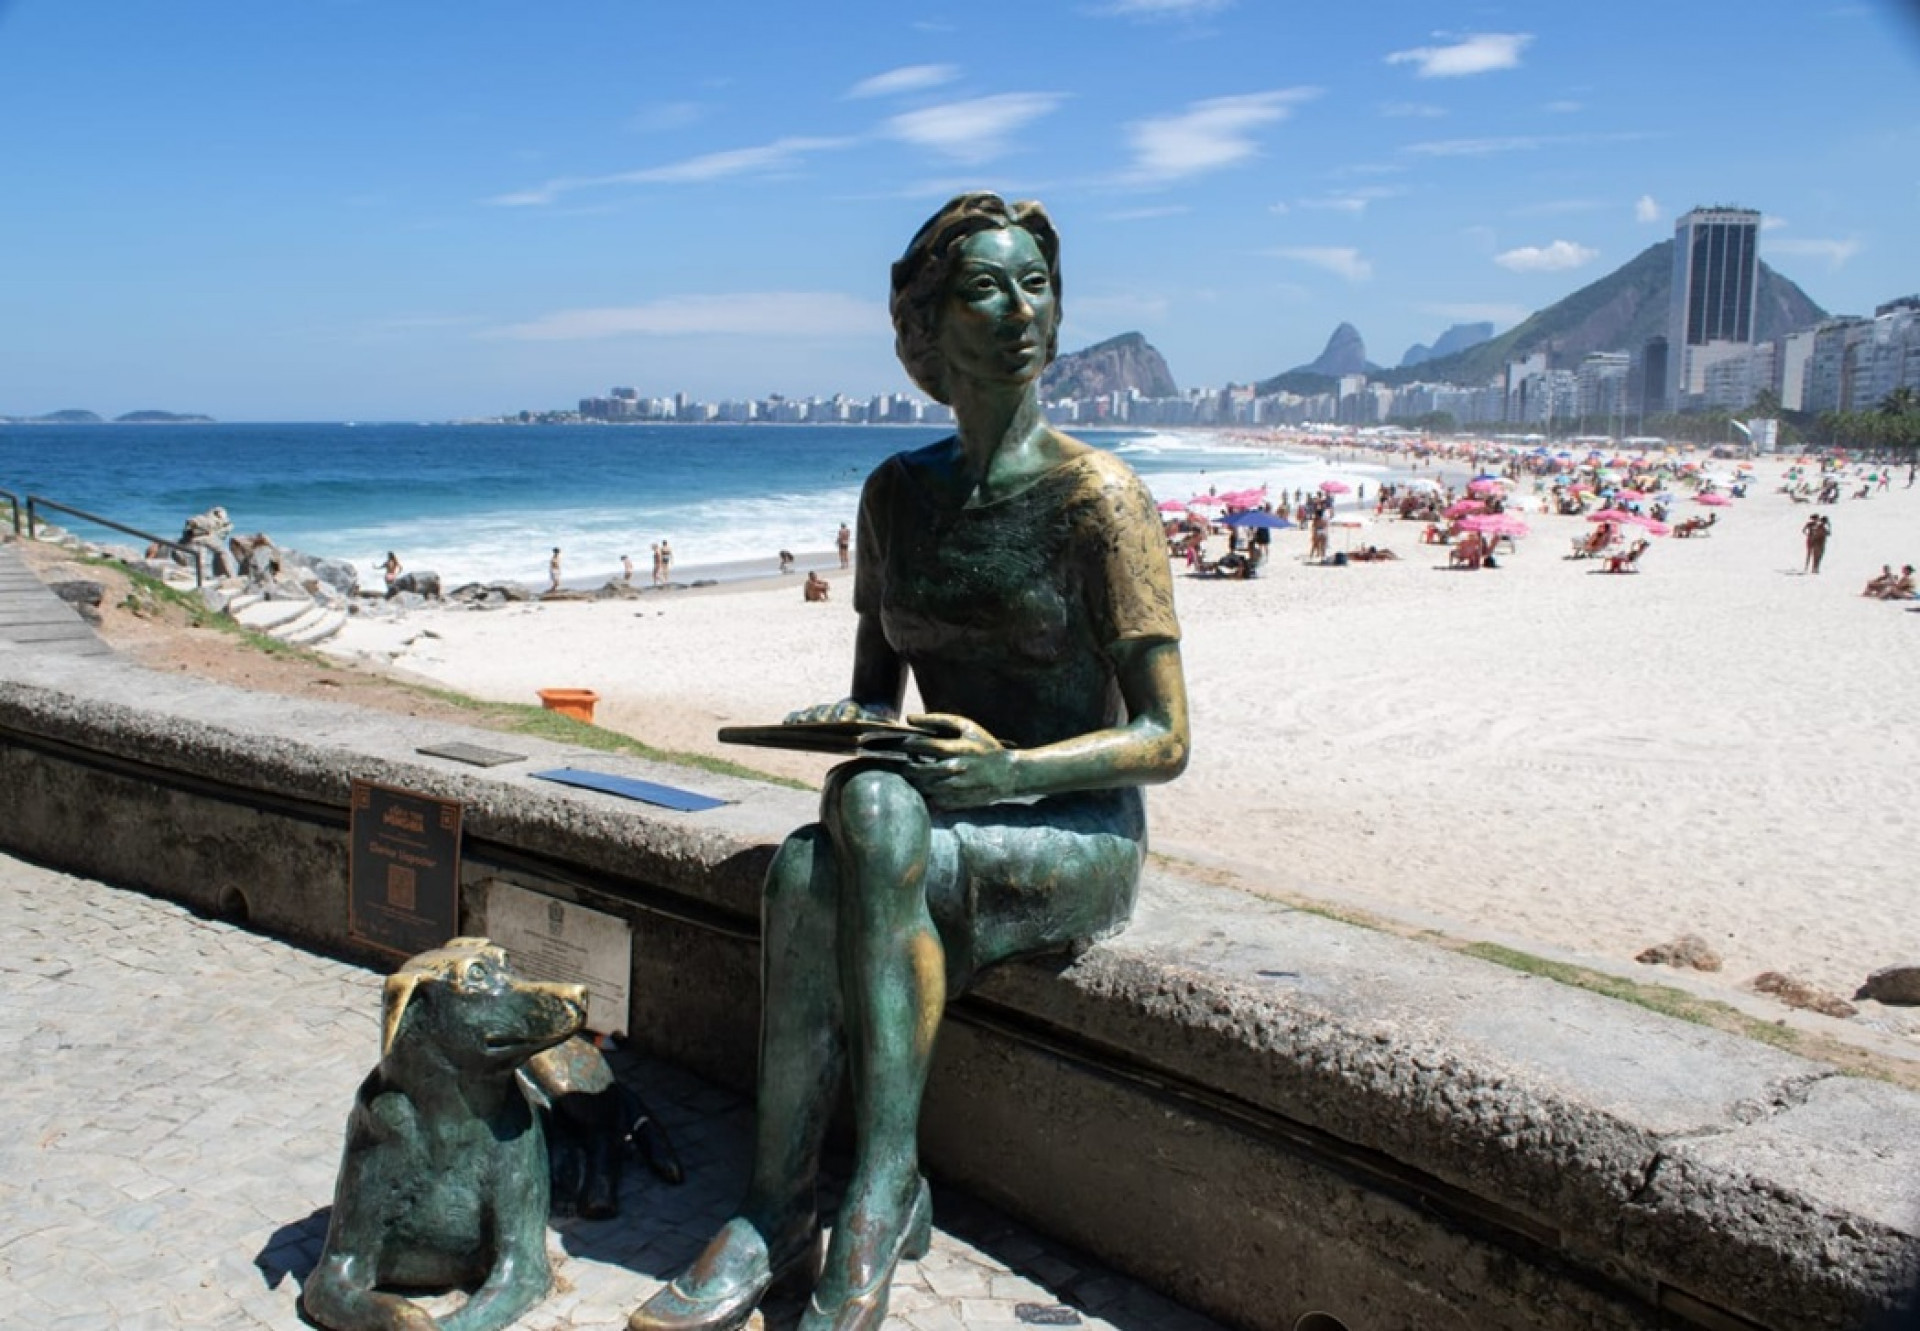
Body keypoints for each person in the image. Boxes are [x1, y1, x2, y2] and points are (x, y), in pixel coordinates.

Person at [627, 193, 1189, 1331]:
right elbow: (878, 698)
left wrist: (1007, 772)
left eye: (1036, 282)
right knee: (805, 867)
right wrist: (841, 721)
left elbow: (1164, 740)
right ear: (929, 327)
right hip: (921, 814)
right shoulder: (895, 495)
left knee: (833, 854)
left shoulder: (1102, 498)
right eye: (986, 286)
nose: (1020, 309)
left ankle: (837, 1196)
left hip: (1069, 825)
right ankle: (820, 1202)